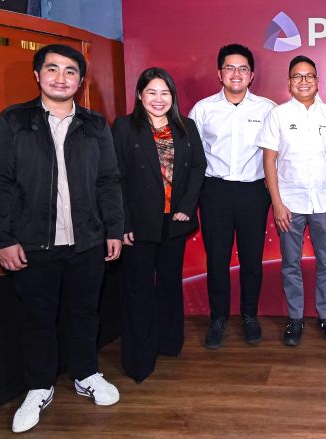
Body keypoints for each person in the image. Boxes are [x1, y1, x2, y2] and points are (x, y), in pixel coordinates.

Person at [0, 44, 123, 433]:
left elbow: (109, 180)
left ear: (81, 80)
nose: (61, 78)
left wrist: (113, 228)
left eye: (70, 71)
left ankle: (86, 374)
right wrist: (3, 238)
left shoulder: (95, 125)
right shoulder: (14, 121)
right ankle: (39, 386)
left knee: (85, 312)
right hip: (32, 243)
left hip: (87, 241)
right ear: (38, 75)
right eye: (53, 69)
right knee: (37, 317)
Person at [112, 67, 206, 382]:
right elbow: (115, 177)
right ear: (140, 95)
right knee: (139, 289)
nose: (158, 99)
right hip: (138, 224)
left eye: (165, 93)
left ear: (172, 97)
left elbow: (198, 166)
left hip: (174, 221)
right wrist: (122, 221)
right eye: (151, 92)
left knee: (169, 283)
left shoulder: (186, 126)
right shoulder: (124, 127)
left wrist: (186, 207)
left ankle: (169, 342)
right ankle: (139, 359)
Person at [189, 44, 275, 348]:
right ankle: (218, 318)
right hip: (215, 191)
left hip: (254, 191)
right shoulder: (203, 109)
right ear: (219, 73)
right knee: (217, 259)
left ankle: (249, 315)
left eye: (242, 69)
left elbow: (277, 155)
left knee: (252, 259)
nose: (236, 74)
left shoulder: (267, 109)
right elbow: (192, 155)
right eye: (229, 68)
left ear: (251, 75)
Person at [257, 56, 326, 346]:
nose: (303, 81)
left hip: (324, 201)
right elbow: (269, 161)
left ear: (317, 81)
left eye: (309, 76)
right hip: (289, 204)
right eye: (297, 76)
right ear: (289, 82)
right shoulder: (278, 115)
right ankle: (295, 318)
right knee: (290, 263)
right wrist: (277, 204)